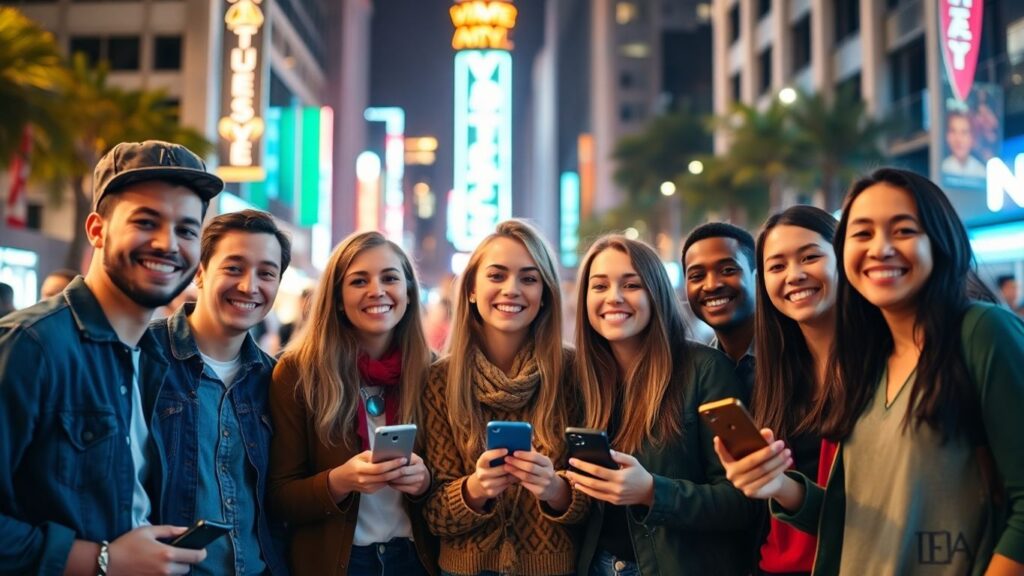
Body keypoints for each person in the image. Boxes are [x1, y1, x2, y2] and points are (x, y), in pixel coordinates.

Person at [717, 168, 1024, 574]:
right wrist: (777, 485)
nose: (879, 249)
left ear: (940, 238)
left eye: (902, 230)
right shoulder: (866, 361)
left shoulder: (981, 331)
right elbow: (859, 518)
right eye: (862, 234)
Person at [0, 140, 223, 575]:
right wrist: (101, 560)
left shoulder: (157, 356)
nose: (167, 243)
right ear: (97, 230)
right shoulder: (31, 346)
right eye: (146, 221)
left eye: (187, 230)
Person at [568, 235, 758, 576]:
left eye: (631, 284)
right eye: (599, 286)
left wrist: (654, 492)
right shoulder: (579, 377)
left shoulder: (706, 369)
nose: (614, 297)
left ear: (655, 292)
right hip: (597, 565)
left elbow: (743, 502)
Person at [423, 219, 586, 576]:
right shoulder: (438, 379)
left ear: (545, 293)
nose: (512, 289)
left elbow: (596, 499)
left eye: (529, 279)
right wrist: (475, 489)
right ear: (470, 289)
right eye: (496, 276)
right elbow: (431, 512)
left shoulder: (574, 371)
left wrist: (555, 490)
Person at [269, 231, 436, 575]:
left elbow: (450, 486)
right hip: (337, 564)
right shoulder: (297, 372)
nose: (377, 290)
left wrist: (424, 483)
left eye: (390, 278)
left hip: (414, 558)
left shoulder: (432, 370)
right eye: (359, 281)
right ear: (338, 298)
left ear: (407, 291)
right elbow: (278, 497)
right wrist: (339, 481)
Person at [147, 210, 291, 575]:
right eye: (234, 268)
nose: (249, 286)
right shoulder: (144, 354)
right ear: (199, 271)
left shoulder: (275, 379)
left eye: (267, 273)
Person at [746, 206, 841, 575]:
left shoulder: (883, 366)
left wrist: (780, 486)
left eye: (810, 256)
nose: (795, 275)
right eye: (777, 266)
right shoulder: (776, 375)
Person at [682, 222, 758, 396]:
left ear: (757, 278)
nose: (711, 285)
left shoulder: (795, 354)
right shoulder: (701, 370)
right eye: (697, 276)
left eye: (727, 270)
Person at [941, 112, 987, 178]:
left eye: (964, 132)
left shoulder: (981, 172)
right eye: (953, 131)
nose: (958, 139)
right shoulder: (942, 169)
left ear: (973, 138)